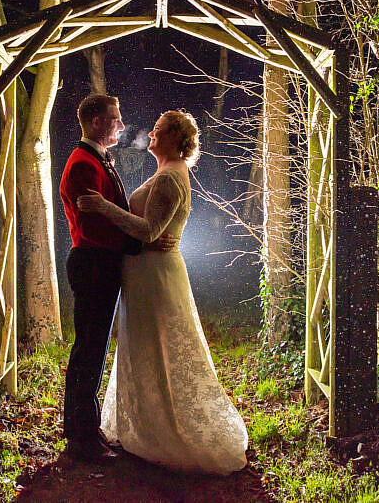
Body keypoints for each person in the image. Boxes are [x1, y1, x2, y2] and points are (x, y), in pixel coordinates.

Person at [77, 110, 249, 475]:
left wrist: (103, 207)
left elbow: (150, 231)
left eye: (157, 130)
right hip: (146, 273)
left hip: (154, 274)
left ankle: (162, 431)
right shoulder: (167, 172)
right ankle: (146, 421)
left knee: (157, 346)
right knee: (146, 346)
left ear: (174, 138)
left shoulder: (171, 177)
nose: (150, 134)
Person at [58, 94, 177, 464]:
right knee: (88, 353)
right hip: (93, 263)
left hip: (99, 264)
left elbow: (110, 217)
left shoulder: (95, 158)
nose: (123, 126)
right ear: (96, 123)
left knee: (92, 351)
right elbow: (96, 229)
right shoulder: (83, 164)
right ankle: (80, 440)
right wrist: (143, 243)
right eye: (115, 118)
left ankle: (85, 431)